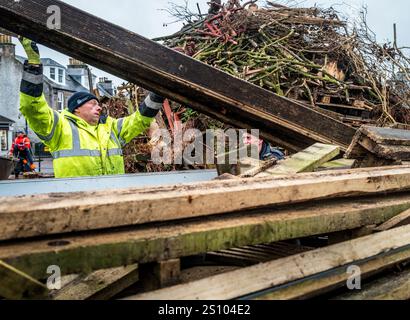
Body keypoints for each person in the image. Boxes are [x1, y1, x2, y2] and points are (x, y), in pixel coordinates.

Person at [19, 37, 164, 178]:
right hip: (76, 199)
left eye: (99, 104)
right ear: (77, 108)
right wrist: (33, 66)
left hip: (112, 196)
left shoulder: (111, 126)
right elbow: (33, 108)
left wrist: (159, 92)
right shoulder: (59, 127)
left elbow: (140, 119)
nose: (99, 108)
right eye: (93, 104)